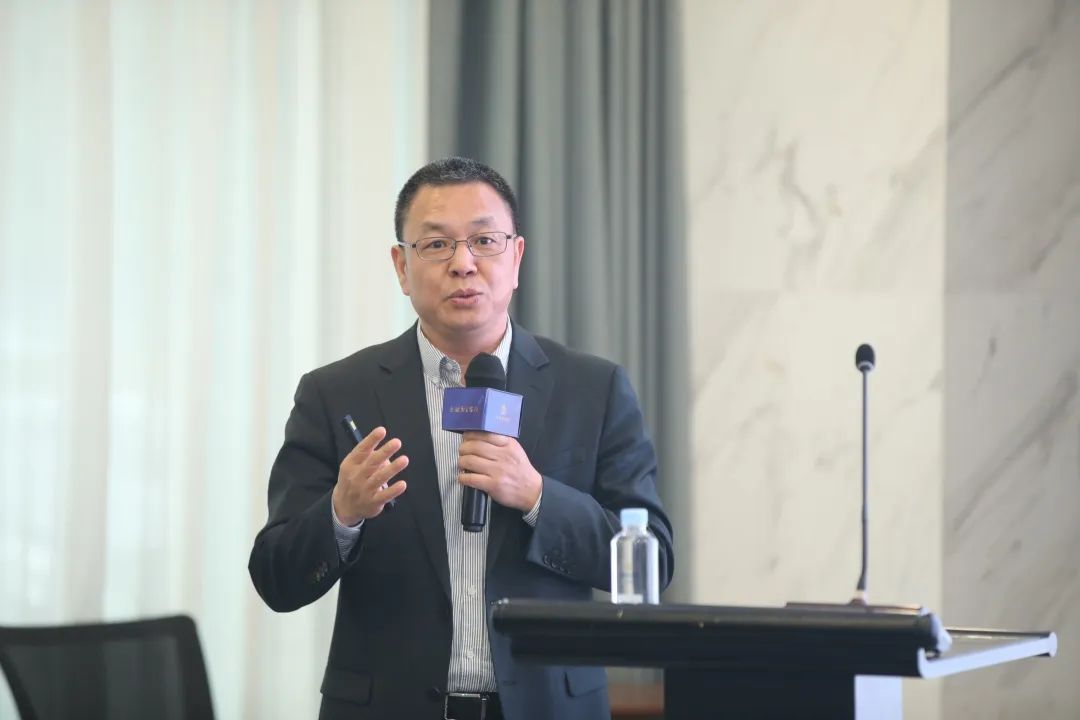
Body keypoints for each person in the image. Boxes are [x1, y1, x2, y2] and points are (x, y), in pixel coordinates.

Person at [248, 157, 674, 720]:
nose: (463, 263)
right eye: (436, 245)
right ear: (402, 267)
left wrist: (537, 496)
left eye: (484, 241)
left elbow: (652, 562)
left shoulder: (593, 390)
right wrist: (340, 513)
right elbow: (276, 579)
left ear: (516, 258)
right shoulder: (336, 394)